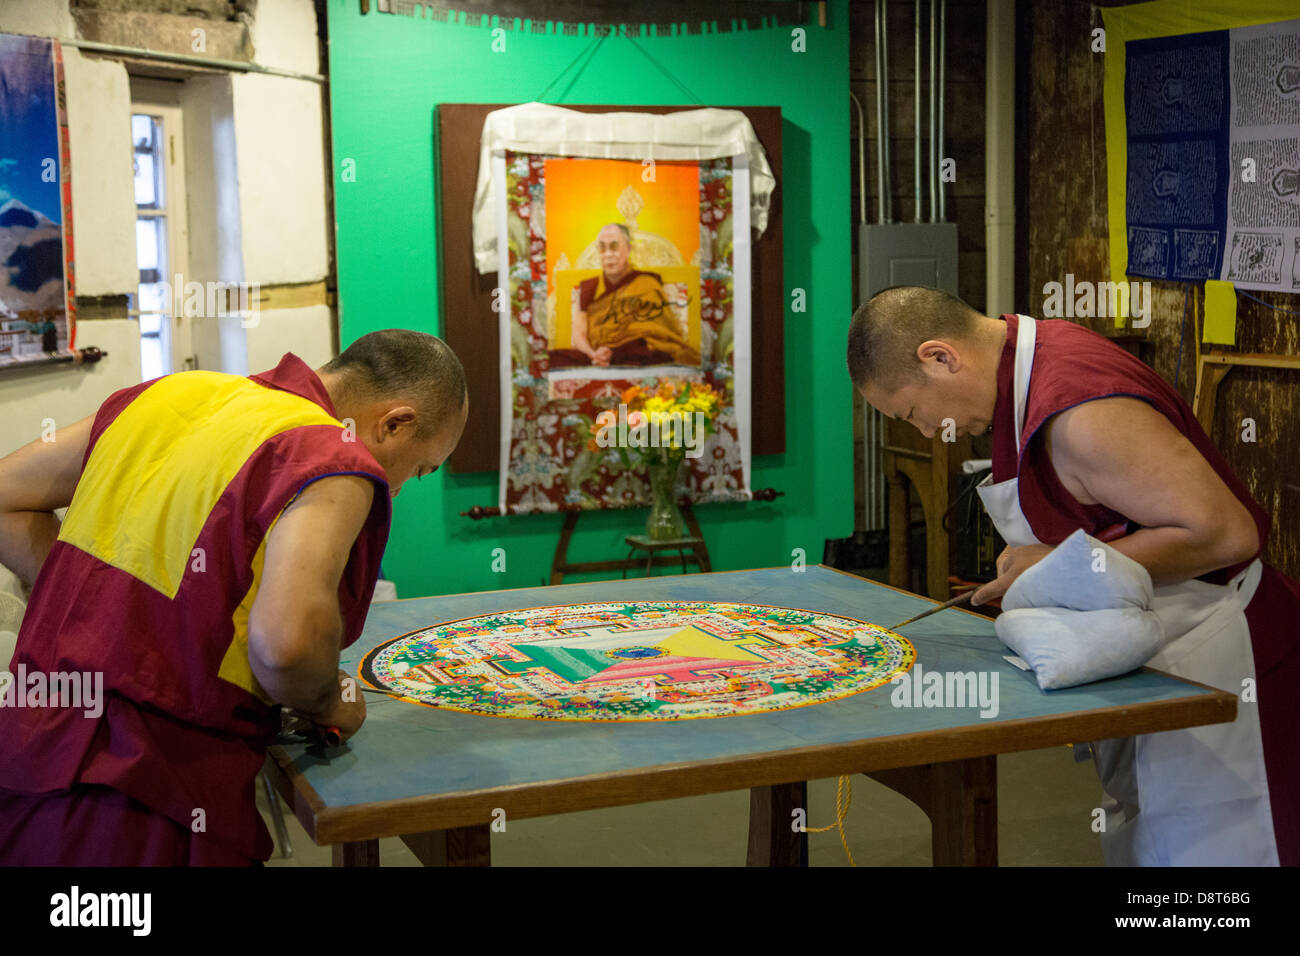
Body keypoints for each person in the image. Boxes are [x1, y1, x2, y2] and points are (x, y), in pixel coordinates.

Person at [847, 285, 1299, 866]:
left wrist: (1064, 561)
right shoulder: (1025, 361)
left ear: (940, 356)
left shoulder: (1081, 412)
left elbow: (1225, 535)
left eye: (912, 413)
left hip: (1228, 664)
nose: (928, 433)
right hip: (1157, 659)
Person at [0, 329, 468, 865]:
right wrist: (333, 703)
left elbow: (5, 494)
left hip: (32, 751)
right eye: (422, 466)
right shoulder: (331, 455)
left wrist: (102, 601)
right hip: (149, 789)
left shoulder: (168, 395)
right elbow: (286, 650)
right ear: (395, 423)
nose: (405, 486)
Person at [549, 223, 700, 369]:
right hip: (596, 354)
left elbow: (656, 331)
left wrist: (615, 350)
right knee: (552, 359)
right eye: (602, 248)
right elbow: (578, 334)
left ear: (628, 249)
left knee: (641, 352)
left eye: (614, 247)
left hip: (634, 352)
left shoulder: (647, 284)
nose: (608, 254)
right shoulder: (590, 287)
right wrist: (594, 354)